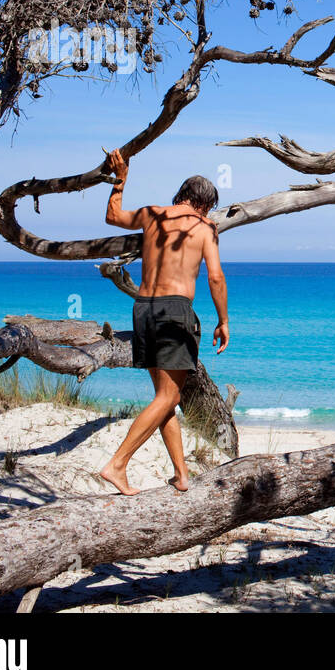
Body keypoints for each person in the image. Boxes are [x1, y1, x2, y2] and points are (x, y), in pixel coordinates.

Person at [96, 147, 229, 495]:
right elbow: (215, 277)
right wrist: (223, 320)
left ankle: (181, 473)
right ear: (203, 204)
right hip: (174, 312)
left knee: (164, 396)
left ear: (182, 194)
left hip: (143, 307)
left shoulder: (152, 214)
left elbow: (113, 216)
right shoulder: (204, 228)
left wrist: (120, 180)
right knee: (169, 397)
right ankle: (117, 464)